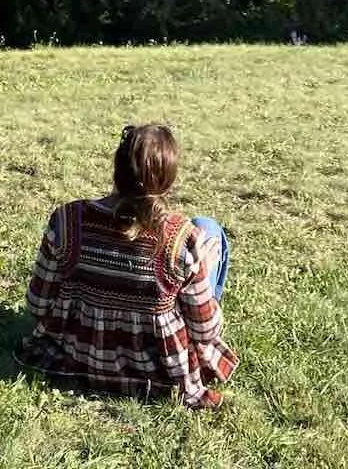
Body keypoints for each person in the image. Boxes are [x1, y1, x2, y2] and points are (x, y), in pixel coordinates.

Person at [17, 122, 237, 409]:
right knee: (209, 228)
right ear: (168, 181)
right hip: (159, 376)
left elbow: (37, 305)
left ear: (116, 170)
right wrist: (203, 268)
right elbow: (206, 331)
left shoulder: (67, 221)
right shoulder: (182, 238)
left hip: (76, 360)